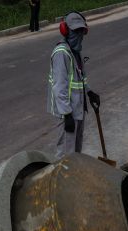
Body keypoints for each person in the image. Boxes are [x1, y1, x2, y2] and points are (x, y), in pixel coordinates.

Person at [46, 11, 100, 159]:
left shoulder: (76, 52)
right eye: (75, 31)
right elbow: (59, 87)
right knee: (65, 155)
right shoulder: (61, 53)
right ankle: (61, 181)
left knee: (76, 153)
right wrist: (67, 114)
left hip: (77, 109)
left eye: (81, 31)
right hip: (67, 113)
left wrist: (89, 93)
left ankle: (72, 180)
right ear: (65, 30)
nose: (79, 35)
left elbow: (80, 78)